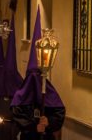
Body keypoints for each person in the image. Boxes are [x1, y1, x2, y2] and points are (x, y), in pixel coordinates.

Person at [10, 8, 65, 140]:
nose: (34, 80)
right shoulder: (21, 95)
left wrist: (48, 122)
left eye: (37, 75)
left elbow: (59, 113)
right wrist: (33, 126)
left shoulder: (48, 91)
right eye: (32, 75)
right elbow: (17, 115)